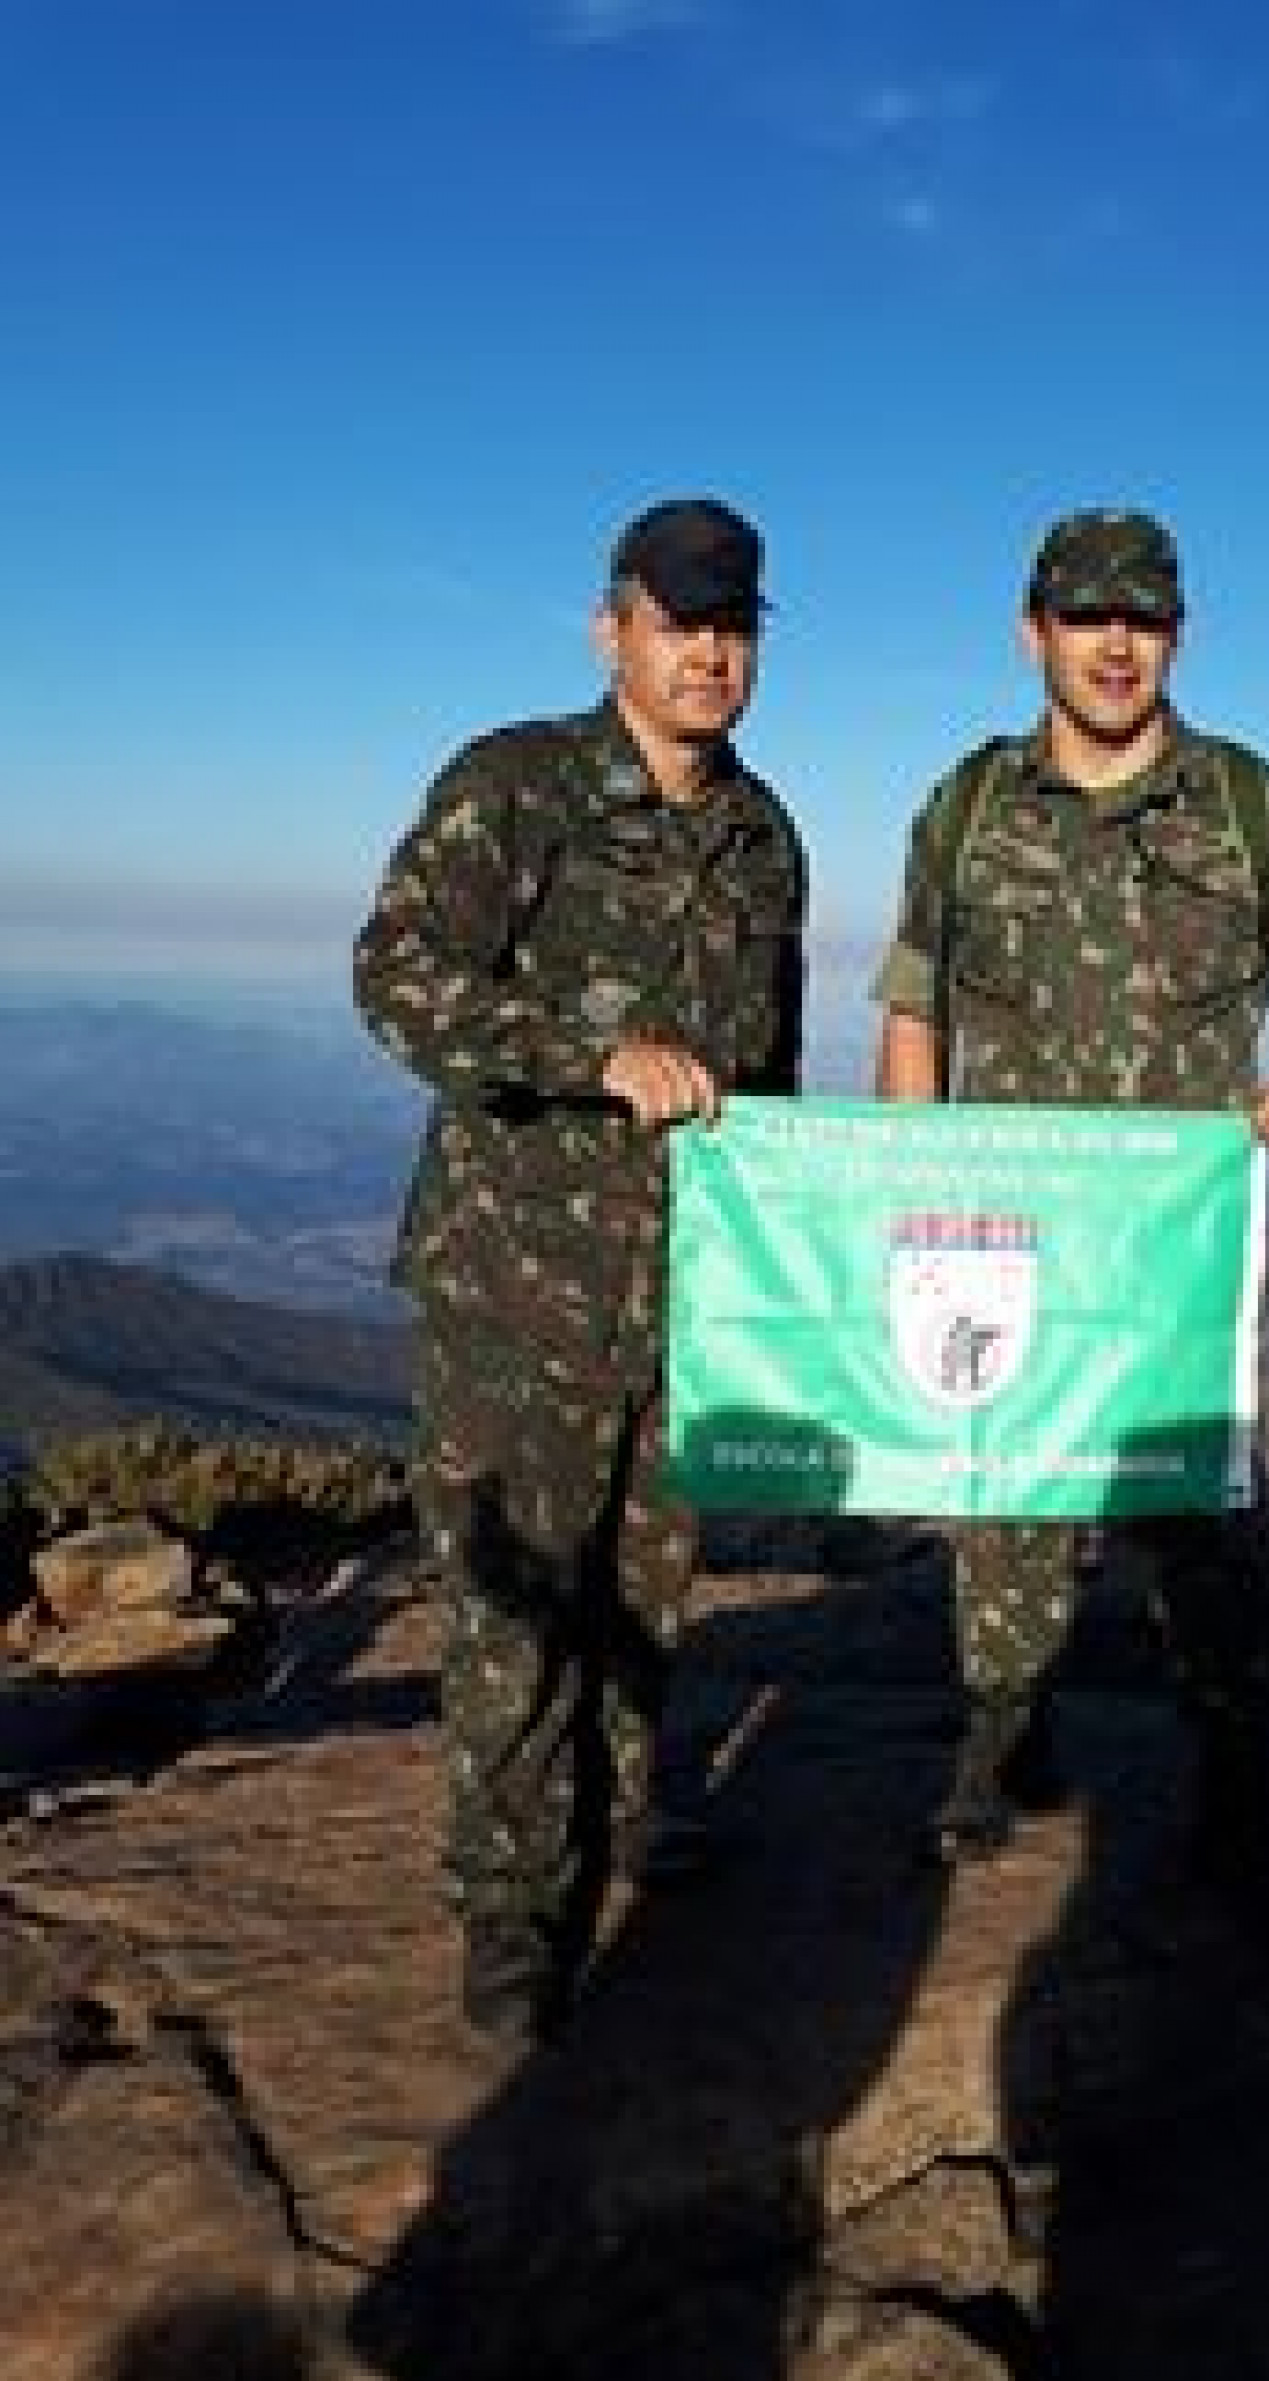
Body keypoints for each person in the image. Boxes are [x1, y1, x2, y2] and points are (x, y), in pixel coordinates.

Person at [872, 507, 1269, 1894]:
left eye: (1146, 618)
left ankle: (1239, 1801)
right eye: (1087, 616)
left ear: (1179, 633)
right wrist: (903, 1180)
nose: (1117, 645)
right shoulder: (972, 803)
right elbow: (915, 1005)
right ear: (1032, 631)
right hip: (1006, 1240)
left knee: (1208, 1536)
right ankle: (1002, 1741)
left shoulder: (1253, 806)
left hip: (1181, 1254)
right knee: (1006, 1511)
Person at [355, 499, 805, 2043]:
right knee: (515, 1606)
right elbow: (397, 979)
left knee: (646, 1592)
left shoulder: (765, 839)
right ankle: (509, 1904)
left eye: (734, 623)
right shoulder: (518, 785)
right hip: (515, 1288)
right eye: (681, 621)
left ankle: (611, 1835)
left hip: (683, 1288)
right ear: (613, 626)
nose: (711, 651)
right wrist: (589, 1056)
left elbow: (774, 1077)